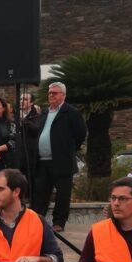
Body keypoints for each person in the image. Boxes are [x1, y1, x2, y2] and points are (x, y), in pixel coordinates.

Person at [32, 82, 87, 232]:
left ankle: (59, 223)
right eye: (50, 93)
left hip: (62, 162)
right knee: (40, 193)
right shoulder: (44, 113)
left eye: (55, 93)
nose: (51, 95)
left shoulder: (71, 112)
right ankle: (38, 220)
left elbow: (80, 133)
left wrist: (68, 149)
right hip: (43, 162)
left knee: (63, 194)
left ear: (63, 95)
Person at [15, 92, 41, 192]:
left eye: (25, 99)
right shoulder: (15, 116)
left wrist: (24, 120)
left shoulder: (35, 116)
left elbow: (36, 129)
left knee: (32, 182)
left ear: (31, 103)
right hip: (18, 154)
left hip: (31, 154)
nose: (22, 101)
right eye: (21, 99)